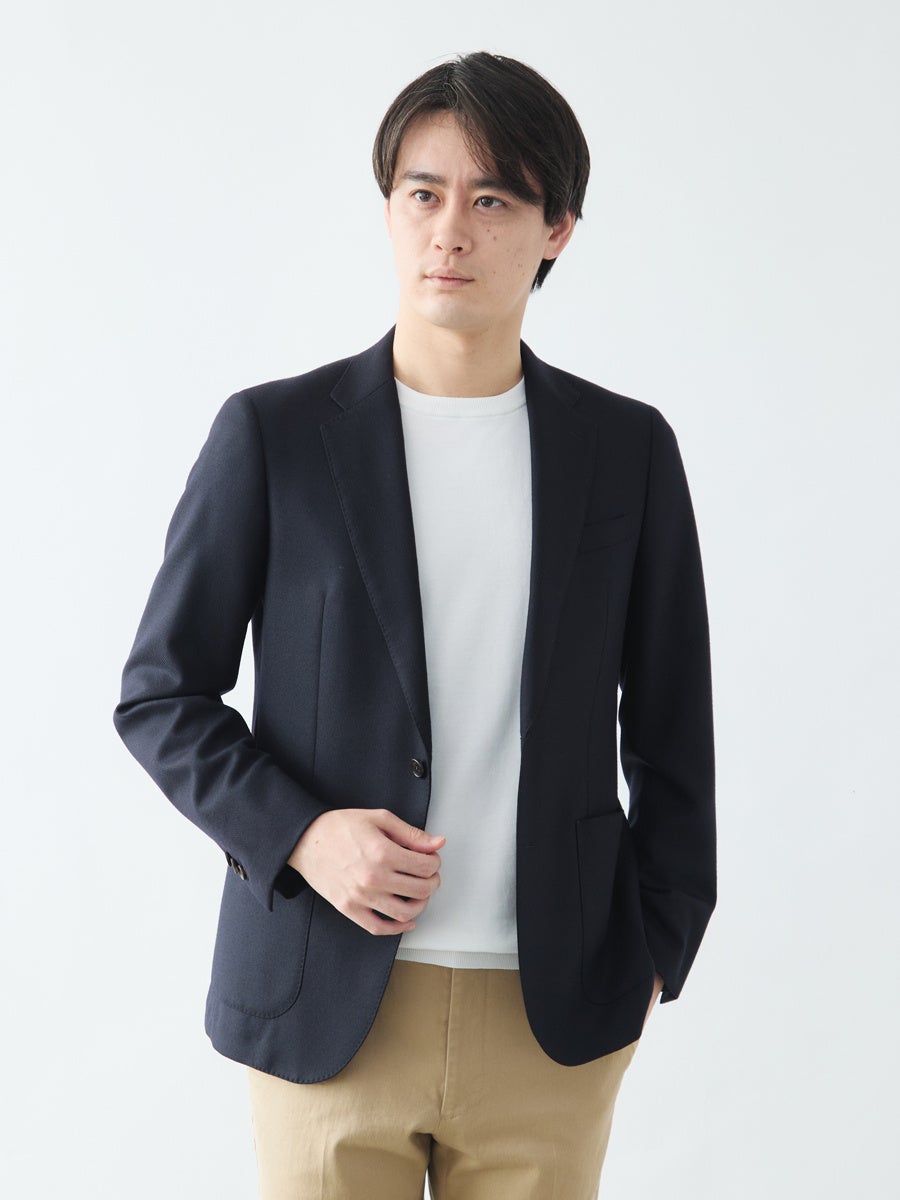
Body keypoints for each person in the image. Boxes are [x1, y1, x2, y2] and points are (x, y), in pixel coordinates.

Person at [114, 51, 716, 1200]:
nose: (450, 230)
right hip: (326, 1000)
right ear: (388, 208)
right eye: (423, 193)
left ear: (556, 230)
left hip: (551, 1013)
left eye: (493, 200)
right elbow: (160, 694)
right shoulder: (276, 437)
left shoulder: (626, 451)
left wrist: (660, 945)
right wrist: (301, 833)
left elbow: (673, 726)